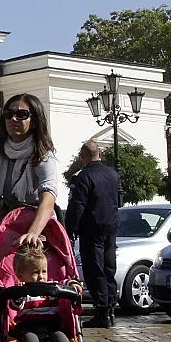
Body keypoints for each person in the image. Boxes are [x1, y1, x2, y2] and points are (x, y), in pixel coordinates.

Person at [0, 93, 60, 249]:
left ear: (34, 121)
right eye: (8, 114)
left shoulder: (42, 152)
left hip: (35, 227)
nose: (13, 119)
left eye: (21, 115)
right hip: (2, 226)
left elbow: (48, 196)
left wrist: (33, 233)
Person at [9, 240, 81, 342]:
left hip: (50, 326)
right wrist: (18, 293)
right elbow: (15, 305)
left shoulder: (51, 287)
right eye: (35, 272)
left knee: (60, 335)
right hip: (29, 326)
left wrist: (73, 285)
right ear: (21, 276)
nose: (41, 276)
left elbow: (64, 283)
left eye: (44, 271)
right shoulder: (23, 291)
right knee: (29, 338)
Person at [65, 140, 120, 328]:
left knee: (94, 270)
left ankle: (102, 312)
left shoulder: (84, 176)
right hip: (110, 226)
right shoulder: (113, 175)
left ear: (83, 157)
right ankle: (110, 308)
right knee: (109, 268)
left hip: (91, 227)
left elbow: (77, 206)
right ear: (100, 154)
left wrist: (69, 229)